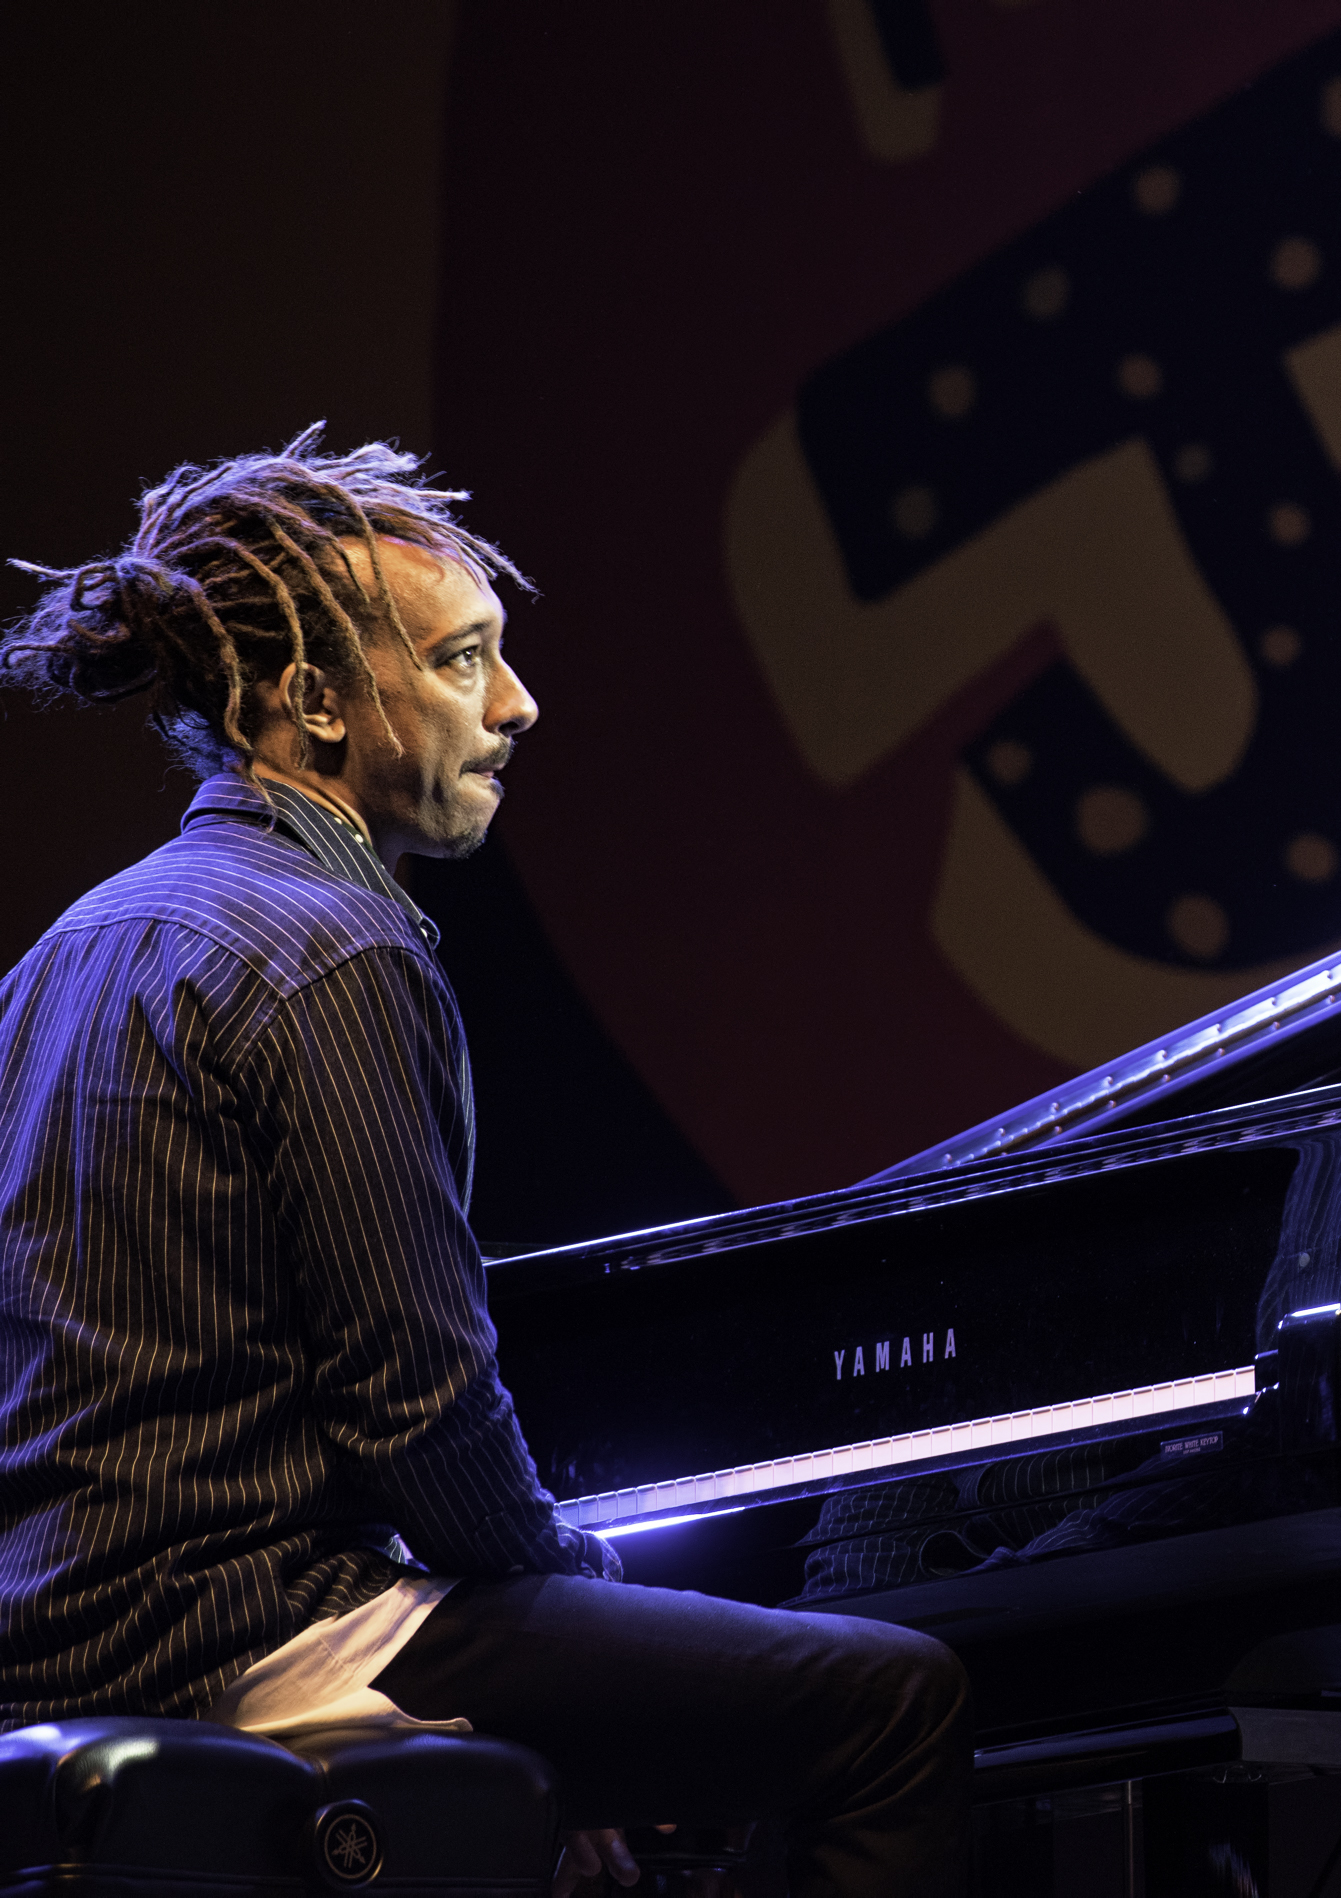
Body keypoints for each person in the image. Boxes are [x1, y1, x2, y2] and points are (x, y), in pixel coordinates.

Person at [0, 430, 970, 1898]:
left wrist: (551, 1691)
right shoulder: (337, 949)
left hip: (47, 1628)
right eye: (462, 661)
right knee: (893, 1702)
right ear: (314, 700)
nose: (518, 705)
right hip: (255, 1629)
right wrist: (576, 1595)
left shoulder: (61, 951)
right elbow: (423, 1416)